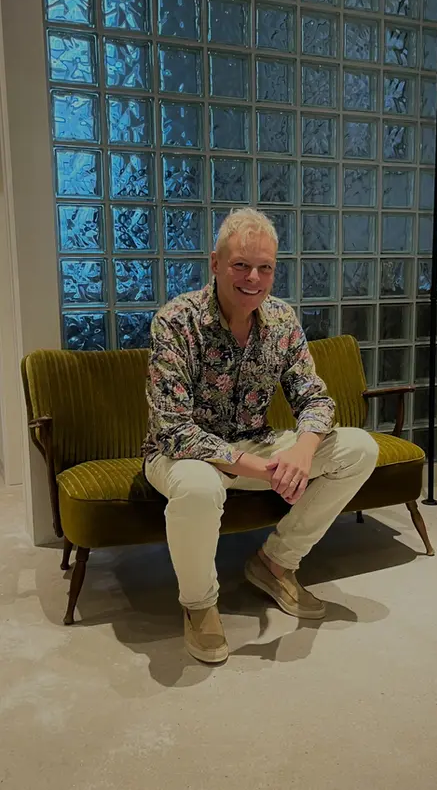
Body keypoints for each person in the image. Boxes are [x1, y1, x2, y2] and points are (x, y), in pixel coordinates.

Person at [142, 208, 378, 664]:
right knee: (198, 486)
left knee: (358, 449)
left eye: (265, 267)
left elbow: (316, 399)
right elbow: (172, 427)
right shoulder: (175, 321)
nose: (253, 277)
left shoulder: (282, 321)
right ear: (215, 264)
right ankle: (199, 605)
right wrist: (265, 469)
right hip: (182, 455)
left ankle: (274, 563)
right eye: (241, 265)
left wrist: (304, 451)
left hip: (257, 442)